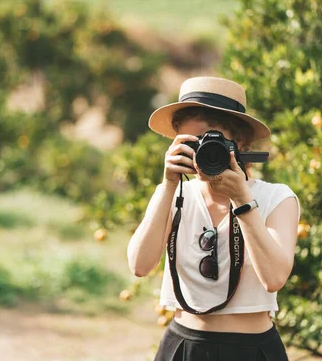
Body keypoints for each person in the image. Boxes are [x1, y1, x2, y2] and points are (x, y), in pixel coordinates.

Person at [127, 77, 300, 360]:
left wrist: (242, 201)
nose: (200, 154)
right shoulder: (172, 195)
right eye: (189, 144)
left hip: (253, 350)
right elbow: (139, 265)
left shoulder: (277, 198)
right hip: (184, 345)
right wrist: (169, 184)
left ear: (239, 142)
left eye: (210, 141)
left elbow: (275, 278)